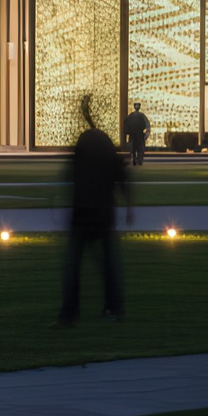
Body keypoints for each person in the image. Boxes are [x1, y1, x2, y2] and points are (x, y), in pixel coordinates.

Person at [56, 114, 132, 325]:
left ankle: (69, 314)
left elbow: (68, 179)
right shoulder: (108, 156)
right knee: (110, 266)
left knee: (73, 266)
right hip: (103, 215)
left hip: (81, 215)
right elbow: (124, 181)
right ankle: (114, 309)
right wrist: (129, 208)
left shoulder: (81, 154)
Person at [121, 102, 150, 167]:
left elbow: (125, 123)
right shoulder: (140, 115)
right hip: (137, 135)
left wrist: (127, 132)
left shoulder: (132, 116)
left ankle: (137, 159)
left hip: (136, 134)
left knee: (136, 148)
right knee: (138, 148)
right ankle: (137, 160)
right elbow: (147, 125)